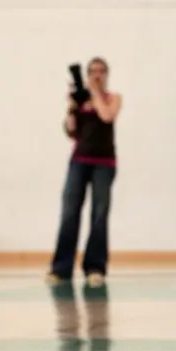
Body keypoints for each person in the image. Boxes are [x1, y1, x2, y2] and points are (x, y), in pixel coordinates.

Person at [48, 57, 122, 287]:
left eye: (101, 71)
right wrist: (72, 106)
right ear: (87, 74)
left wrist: (95, 93)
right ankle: (61, 269)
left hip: (104, 164)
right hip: (79, 162)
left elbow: (107, 115)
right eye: (93, 71)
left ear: (106, 74)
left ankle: (95, 268)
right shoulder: (81, 101)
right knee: (69, 212)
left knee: (99, 214)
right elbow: (71, 131)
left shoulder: (113, 98)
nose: (97, 75)